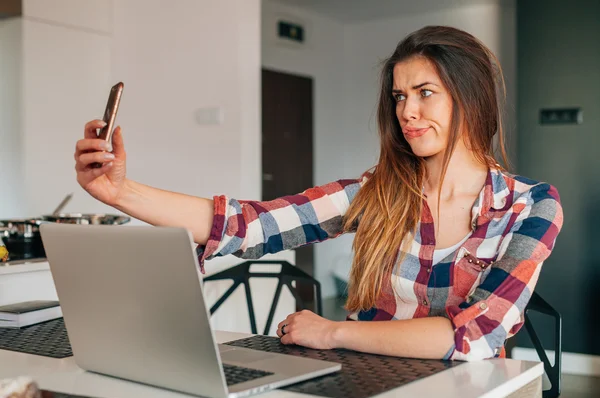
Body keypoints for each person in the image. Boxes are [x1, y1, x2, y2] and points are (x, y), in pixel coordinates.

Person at [74, 26, 563, 362]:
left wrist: (332, 331)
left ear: (471, 96)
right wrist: (120, 192)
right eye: (398, 96)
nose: (407, 112)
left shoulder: (530, 206)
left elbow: (477, 333)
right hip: (368, 378)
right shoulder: (377, 194)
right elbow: (250, 226)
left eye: (425, 92)